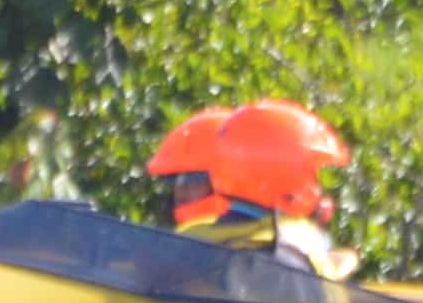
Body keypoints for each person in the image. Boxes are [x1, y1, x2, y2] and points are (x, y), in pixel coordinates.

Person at [145, 99, 353, 277]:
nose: (180, 192)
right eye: (311, 173)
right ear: (284, 171)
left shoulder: (182, 245)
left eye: (190, 180)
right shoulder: (297, 250)